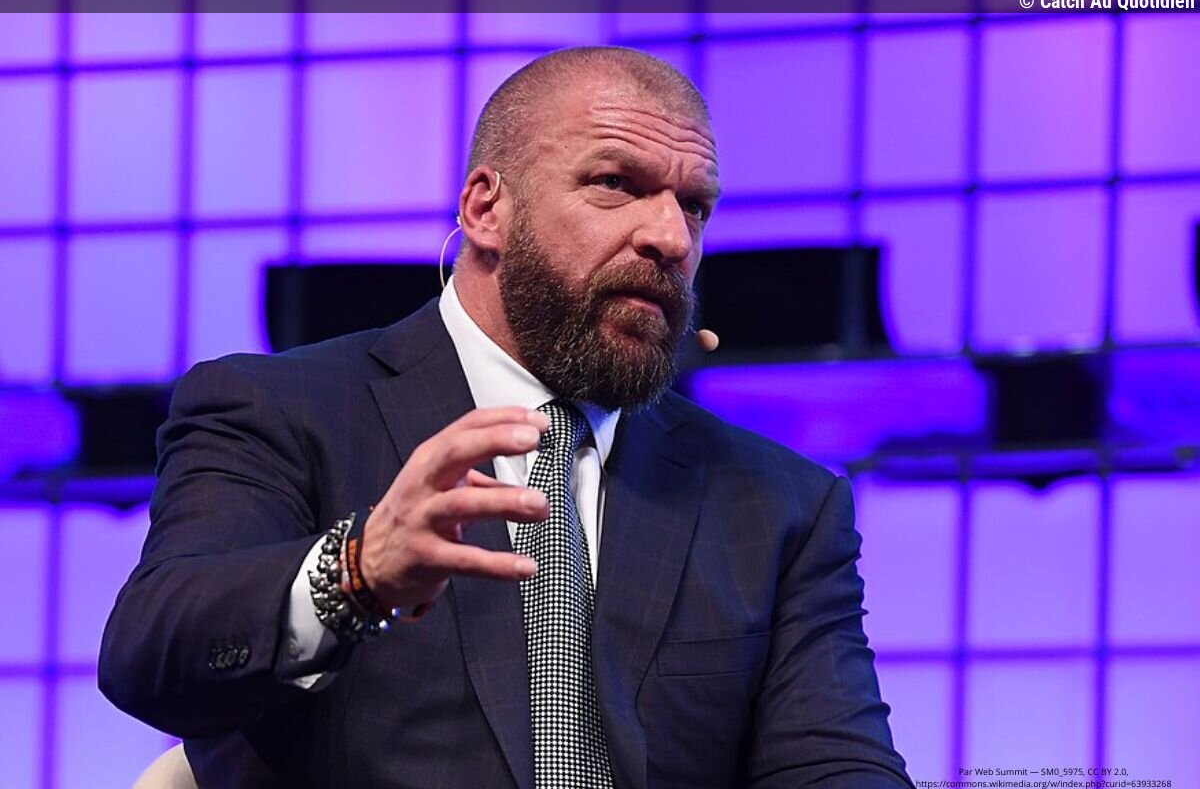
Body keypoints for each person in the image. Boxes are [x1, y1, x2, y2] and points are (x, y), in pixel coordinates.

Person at [99, 46, 914, 788]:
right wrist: (357, 572)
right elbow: (151, 655)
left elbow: (835, 765)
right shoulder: (278, 409)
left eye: (694, 206)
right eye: (616, 184)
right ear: (487, 209)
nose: (671, 237)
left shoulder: (778, 503)